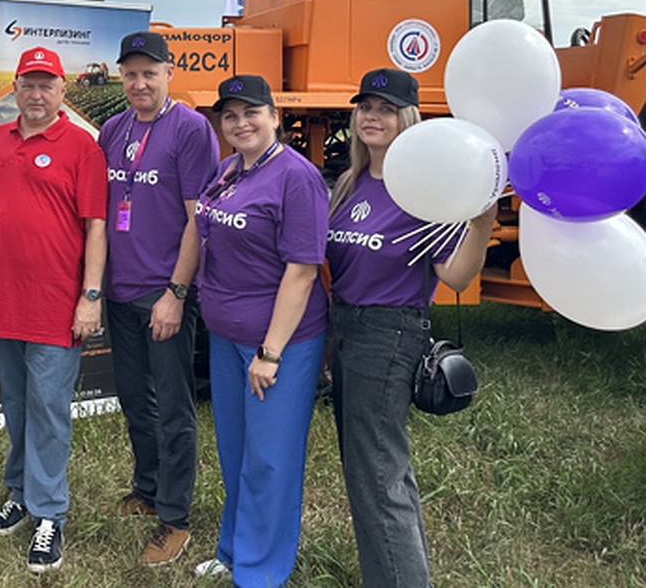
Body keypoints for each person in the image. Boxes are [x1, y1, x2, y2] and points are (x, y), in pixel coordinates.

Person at [326, 68, 497, 587]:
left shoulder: (422, 190)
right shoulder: (350, 183)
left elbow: (458, 275)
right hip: (347, 329)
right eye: (364, 107)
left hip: (390, 334)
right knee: (373, 472)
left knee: (378, 474)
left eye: (384, 109)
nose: (371, 116)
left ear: (408, 119)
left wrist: (483, 219)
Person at [0, 46, 108, 574]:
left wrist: (89, 296)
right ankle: (21, 493)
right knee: (17, 403)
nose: (36, 93)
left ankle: (49, 512)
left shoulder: (81, 147)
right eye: (28, 83)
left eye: (46, 84)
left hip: (54, 303)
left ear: (62, 91)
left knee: (49, 408)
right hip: (2, 298)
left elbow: (95, 226)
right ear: (17, 86)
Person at [192, 74, 329, 586]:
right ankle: (233, 549)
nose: (240, 122)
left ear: (275, 116)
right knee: (236, 450)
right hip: (227, 337)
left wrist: (270, 353)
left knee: (270, 459)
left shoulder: (297, 177)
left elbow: (302, 270)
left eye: (252, 112)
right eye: (230, 115)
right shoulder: (229, 170)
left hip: (278, 344)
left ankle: (260, 573)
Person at [97, 31, 218, 566]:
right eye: (131, 73)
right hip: (121, 290)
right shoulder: (112, 129)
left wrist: (176, 292)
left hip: (162, 291)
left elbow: (198, 219)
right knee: (132, 397)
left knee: (173, 407)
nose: (139, 83)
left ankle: (175, 518)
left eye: (150, 72)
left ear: (170, 73)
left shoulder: (190, 129)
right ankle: (147, 489)